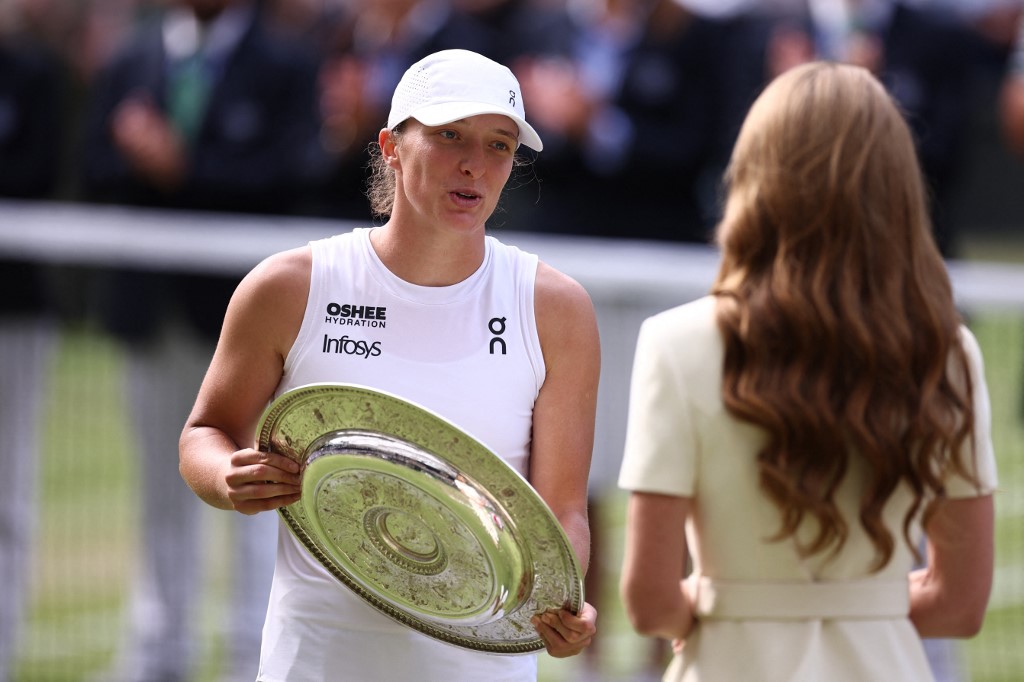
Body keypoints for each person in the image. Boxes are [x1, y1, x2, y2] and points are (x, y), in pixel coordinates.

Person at [178, 48, 600, 681]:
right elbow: (203, 434)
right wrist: (226, 476)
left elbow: (563, 511)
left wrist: (561, 598)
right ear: (391, 147)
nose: (473, 164)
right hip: (315, 657)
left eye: (499, 145)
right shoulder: (292, 285)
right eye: (449, 135)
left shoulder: (556, 310)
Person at [618, 61, 997, 682]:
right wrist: (863, 610)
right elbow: (961, 603)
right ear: (897, 187)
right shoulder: (947, 350)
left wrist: (731, 610)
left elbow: (650, 601)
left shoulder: (675, 343)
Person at [78, 1, 321, 679]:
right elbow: (94, 162)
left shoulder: (288, 63)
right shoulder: (132, 58)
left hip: (250, 329)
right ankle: (159, 649)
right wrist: (138, 157)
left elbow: (291, 170)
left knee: (257, 485)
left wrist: (182, 165)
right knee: (162, 487)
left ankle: (253, 653)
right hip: (153, 310)